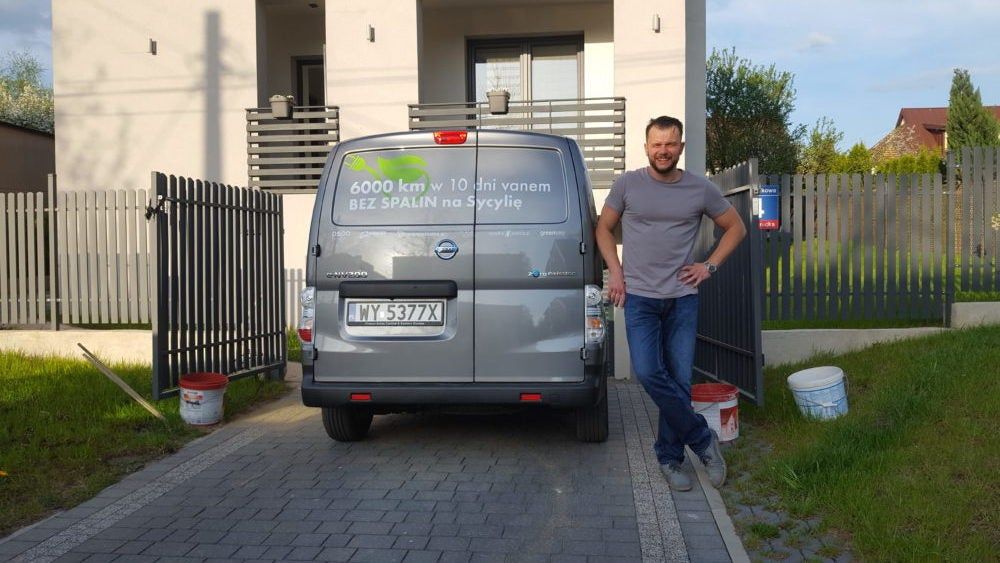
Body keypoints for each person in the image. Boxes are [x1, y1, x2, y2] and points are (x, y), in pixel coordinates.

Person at [596, 116, 747, 491]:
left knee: (679, 380)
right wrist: (616, 273)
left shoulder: (700, 188)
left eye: (670, 144)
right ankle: (703, 439)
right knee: (649, 373)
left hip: (682, 299)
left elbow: (737, 228)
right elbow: (603, 229)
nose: (663, 151)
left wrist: (709, 266)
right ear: (646, 147)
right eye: (657, 144)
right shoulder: (628, 184)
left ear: (681, 147)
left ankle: (669, 458)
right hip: (640, 298)